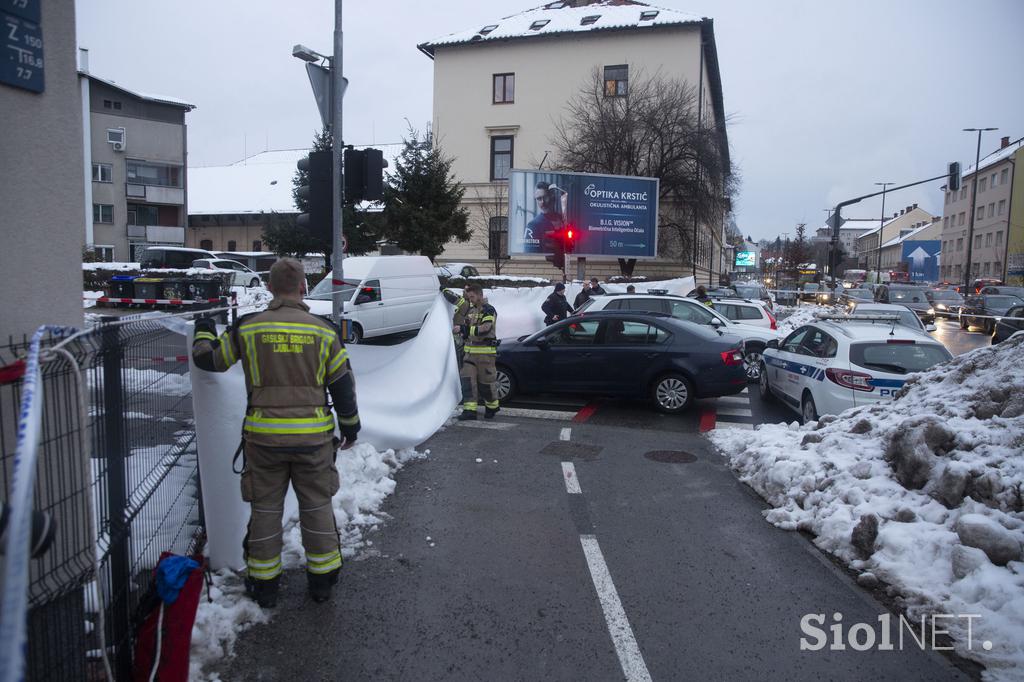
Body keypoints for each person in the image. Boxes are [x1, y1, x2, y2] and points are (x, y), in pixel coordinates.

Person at [191, 258, 360, 608]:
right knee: (316, 505)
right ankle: (322, 581)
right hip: (313, 440)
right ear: (303, 287)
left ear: (269, 287)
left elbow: (211, 361)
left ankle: (264, 585)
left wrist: (205, 329)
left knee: (266, 509)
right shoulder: (323, 330)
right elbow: (342, 383)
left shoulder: (248, 327)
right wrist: (350, 425)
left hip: (263, 439)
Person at [457, 283, 499, 421]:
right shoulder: (471, 311)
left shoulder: (489, 310)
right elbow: (467, 329)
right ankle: (470, 411)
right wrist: (462, 332)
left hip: (485, 355)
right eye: (469, 298)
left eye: (473, 297)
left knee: (486, 384)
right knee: (468, 382)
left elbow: (485, 328)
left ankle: (492, 407)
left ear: (480, 295)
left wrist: (465, 330)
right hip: (469, 355)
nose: (471, 300)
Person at [442, 285, 470, 369]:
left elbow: (453, 298)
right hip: (462, 332)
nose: (463, 292)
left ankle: (459, 370)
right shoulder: (467, 301)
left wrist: (444, 290)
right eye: (463, 290)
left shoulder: (465, 303)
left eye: (465, 291)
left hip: (460, 333)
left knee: (459, 354)